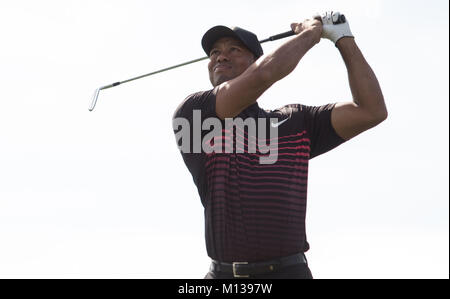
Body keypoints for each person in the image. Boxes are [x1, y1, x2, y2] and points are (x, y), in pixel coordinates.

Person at [172, 11, 388, 279]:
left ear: (255, 59)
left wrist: (343, 38)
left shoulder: (295, 121)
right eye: (214, 52)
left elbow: (371, 110)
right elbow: (265, 74)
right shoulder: (196, 113)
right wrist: (311, 34)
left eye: (234, 49)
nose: (220, 56)